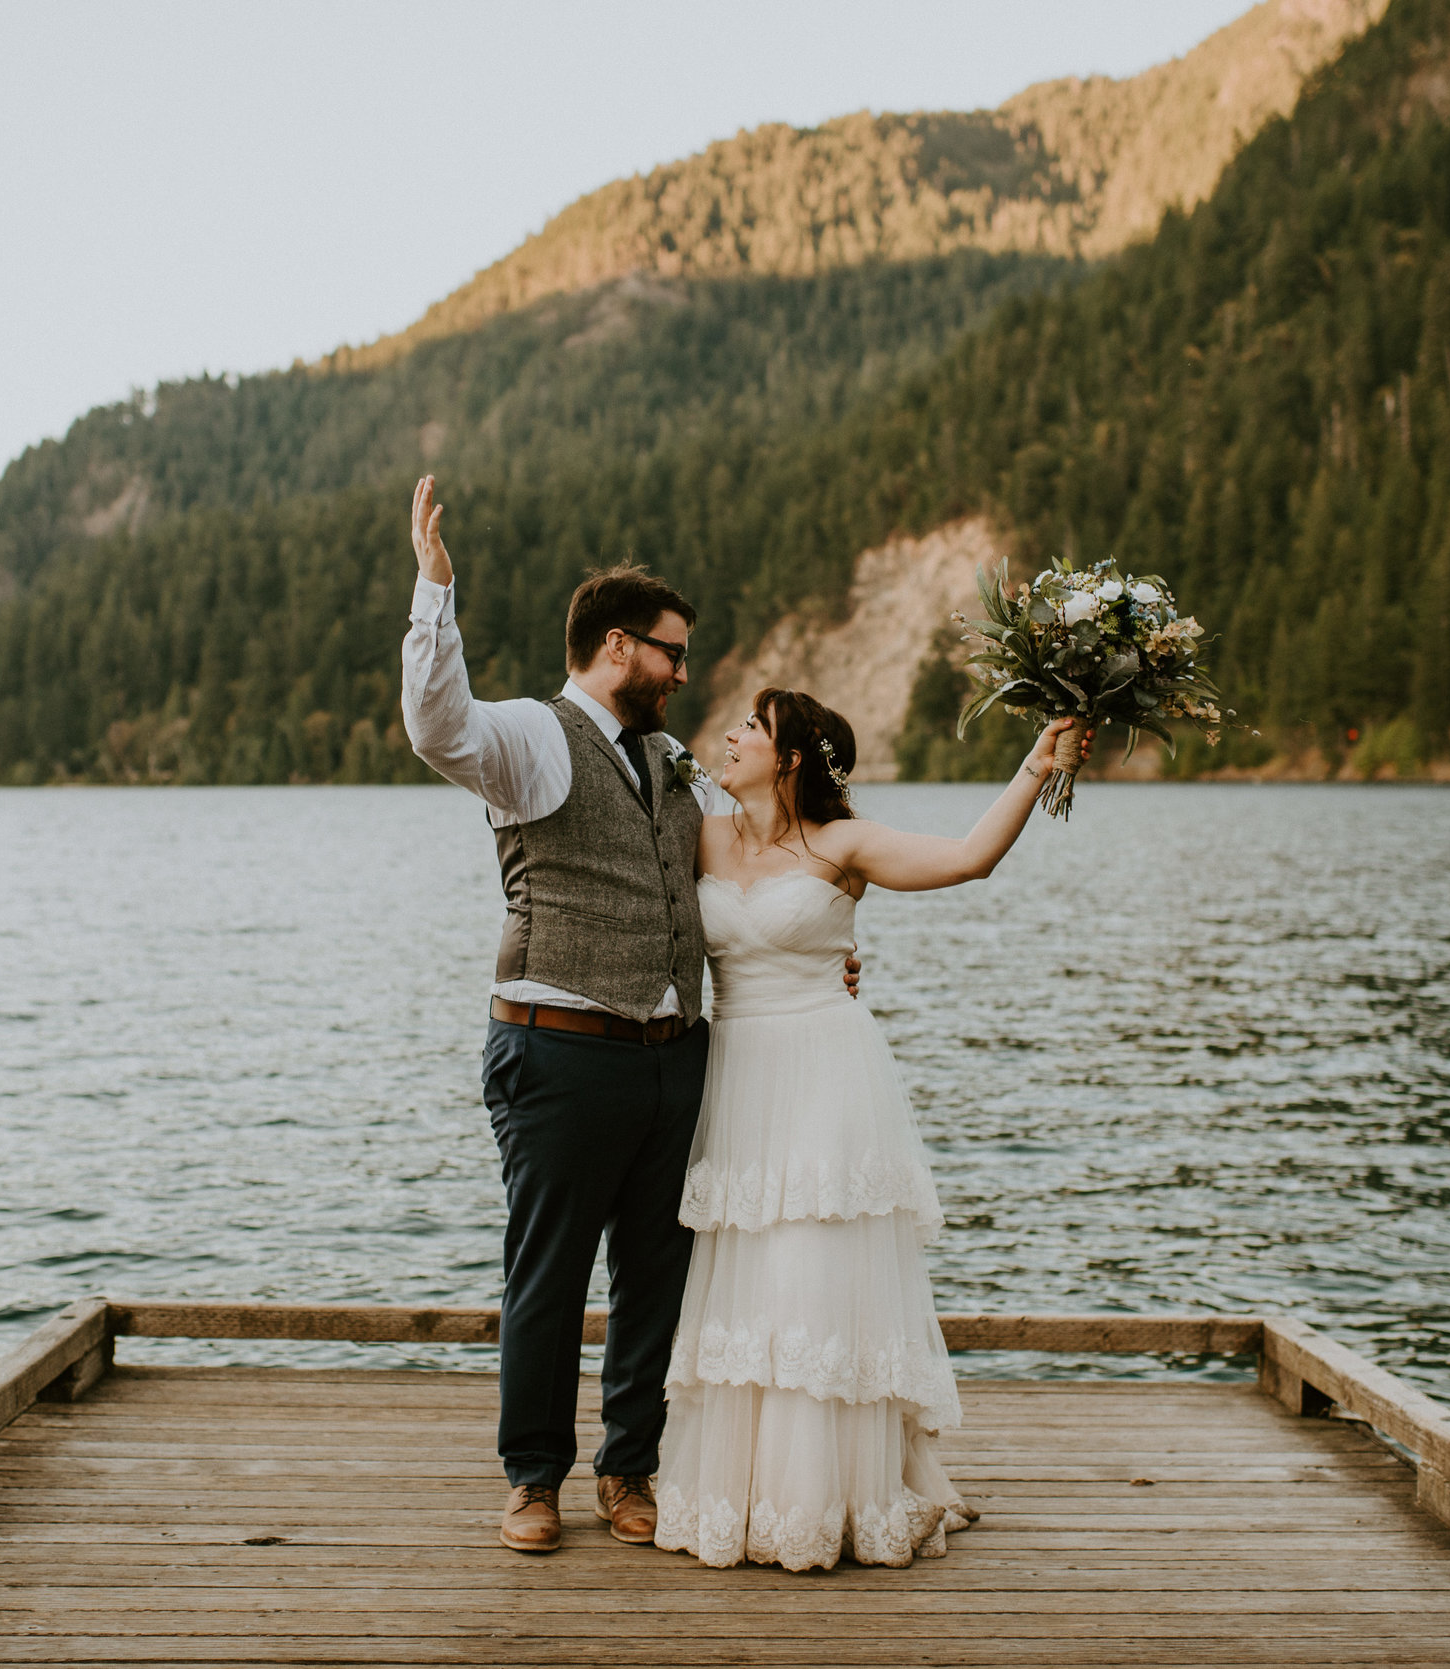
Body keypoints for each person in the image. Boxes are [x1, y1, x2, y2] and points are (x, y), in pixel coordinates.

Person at [397, 477, 857, 1556]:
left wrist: (832, 938)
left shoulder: (675, 764)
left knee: (657, 1276)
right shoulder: (526, 737)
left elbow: (763, 856)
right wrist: (433, 591)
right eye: (672, 652)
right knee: (546, 1274)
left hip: (672, 1057)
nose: (686, 672)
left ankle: (628, 1470)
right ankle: (531, 1481)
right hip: (557, 1051)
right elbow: (433, 726)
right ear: (617, 645)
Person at [654, 688, 1085, 1570]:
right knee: (747, 1280)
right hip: (736, 1075)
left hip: (823, 1074)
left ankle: (827, 1499)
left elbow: (968, 859)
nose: (728, 736)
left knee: (811, 1274)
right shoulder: (701, 828)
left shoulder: (842, 845)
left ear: (792, 758)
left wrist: (1036, 766)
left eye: (750, 728)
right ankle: (746, 1497)